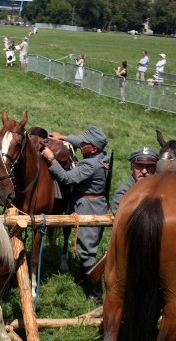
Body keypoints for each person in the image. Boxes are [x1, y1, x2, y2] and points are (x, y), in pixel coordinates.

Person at [39, 127, 110, 303]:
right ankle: (84, 282)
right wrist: (63, 136)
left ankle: (95, 296)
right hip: (93, 203)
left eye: (85, 144)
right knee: (87, 249)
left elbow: (67, 178)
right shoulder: (99, 154)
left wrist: (51, 159)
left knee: (87, 252)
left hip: (89, 208)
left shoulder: (90, 165)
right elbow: (80, 142)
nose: (80, 145)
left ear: (92, 149)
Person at [111, 146, 158, 214]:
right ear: (131, 167)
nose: (144, 171)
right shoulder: (123, 193)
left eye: (149, 166)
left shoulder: (162, 190)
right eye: (140, 166)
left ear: (155, 168)